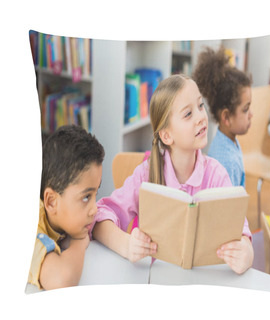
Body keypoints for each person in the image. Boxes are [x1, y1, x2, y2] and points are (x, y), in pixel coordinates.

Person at [95, 74, 254, 274]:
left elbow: (243, 234)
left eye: (200, 106)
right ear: (167, 135)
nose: (200, 117)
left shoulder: (216, 174)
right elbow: (100, 218)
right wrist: (127, 246)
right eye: (188, 114)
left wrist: (246, 254)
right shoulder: (146, 173)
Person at [28, 125, 109, 290]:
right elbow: (60, 280)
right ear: (51, 202)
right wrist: (78, 242)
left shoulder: (64, 216)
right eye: (86, 197)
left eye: (95, 194)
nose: (94, 209)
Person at [192, 47, 252, 187]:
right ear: (226, 117)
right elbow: (228, 207)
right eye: (245, 109)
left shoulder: (228, 141)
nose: (251, 114)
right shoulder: (227, 162)